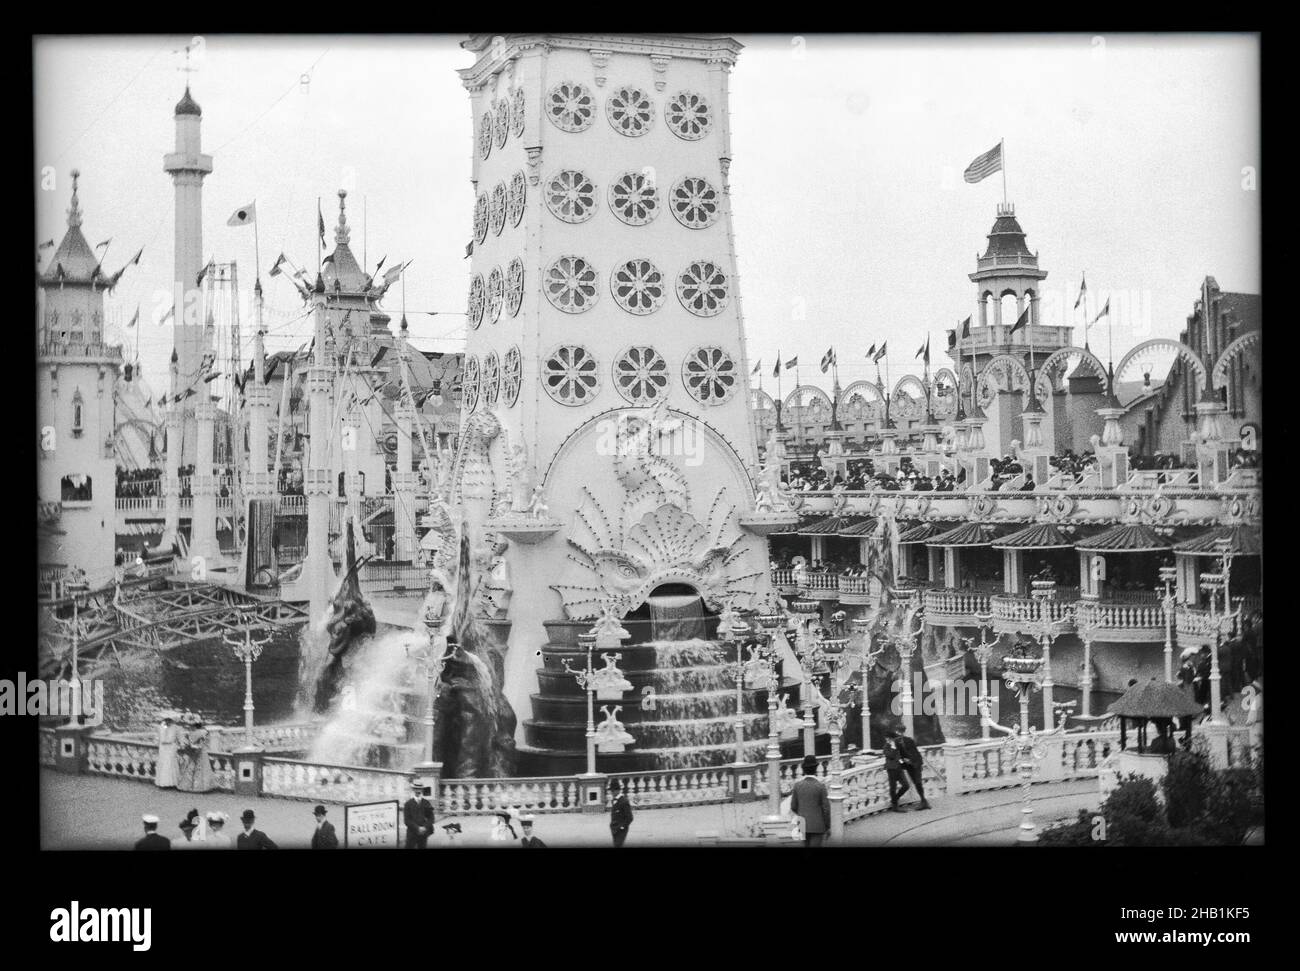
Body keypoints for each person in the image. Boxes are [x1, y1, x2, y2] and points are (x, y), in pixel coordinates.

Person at [789, 754, 831, 847]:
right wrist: (828, 826)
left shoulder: (797, 785)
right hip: (818, 824)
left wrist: (802, 812)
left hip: (802, 823)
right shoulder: (821, 786)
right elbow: (826, 809)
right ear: (816, 769)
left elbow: (793, 806)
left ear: (804, 769)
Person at [896, 727, 931, 810]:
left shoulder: (909, 740)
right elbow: (897, 754)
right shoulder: (896, 741)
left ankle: (924, 802)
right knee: (916, 782)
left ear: (903, 731)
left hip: (916, 763)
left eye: (901, 731)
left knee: (918, 782)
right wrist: (903, 761)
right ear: (896, 732)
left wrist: (910, 760)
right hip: (909, 765)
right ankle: (924, 802)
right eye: (899, 732)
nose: (900, 733)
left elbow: (915, 752)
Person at [403, 778, 435, 849]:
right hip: (412, 833)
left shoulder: (426, 803)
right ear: (413, 790)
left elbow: (431, 818)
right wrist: (417, 828)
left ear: (422, 790)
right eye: (416, 789)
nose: (418, 791)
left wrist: (425, 827)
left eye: (419, 789)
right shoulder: (408, 804)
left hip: (423, 833)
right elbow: (407, 820)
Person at [883, 730, 910, 811]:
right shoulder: (886, 747)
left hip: (899, 768)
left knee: (906, 785)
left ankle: (894, 799)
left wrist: (904, 760)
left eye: (890, 739)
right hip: (891, 769)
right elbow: (890, 756)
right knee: (893, 787)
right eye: (887, 739)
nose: (888, 740)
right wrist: (893, 748)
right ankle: (895, 806)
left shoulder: (898, 745)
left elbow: (901, 754)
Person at [155, 713, 179, 789]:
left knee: (170, 764)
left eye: (169, 720)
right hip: (163, 748)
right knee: (163, 764)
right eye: (166, 720)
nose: (168, 721)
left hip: (171, 747)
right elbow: (158, 737)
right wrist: (157, 742)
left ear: (172, 720)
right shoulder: (161, 727)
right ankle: (163, 782)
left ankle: (172, 783)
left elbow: (178, 738)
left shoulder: (176, 728)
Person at [609, 780, 634, 847]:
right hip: (614, 829)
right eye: (611, 791)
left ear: (618, 790)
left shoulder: (624, 802)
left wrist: (622, 827)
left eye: (613, 791)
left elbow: (630, 817)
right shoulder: (613, 800)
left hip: (621, 830)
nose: (612, 793)